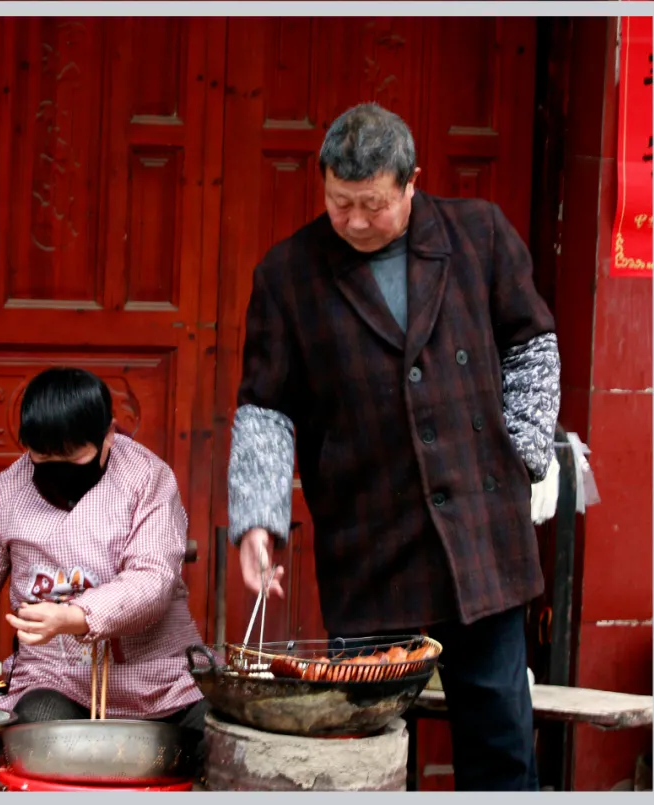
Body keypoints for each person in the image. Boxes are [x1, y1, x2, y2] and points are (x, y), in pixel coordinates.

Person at [228, 102, 559, 791]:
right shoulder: (289, 274)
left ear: (411, 184)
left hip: (481, 538)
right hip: (370, 544)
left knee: (499, 732)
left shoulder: (478, 236)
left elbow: (532, 344)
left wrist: (520, 452)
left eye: (371, 204)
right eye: (338, 201)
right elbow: (264, 408)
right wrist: (256, 521)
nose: (352, 219)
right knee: (365, 749)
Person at [0, 367, 208, 741]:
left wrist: (76, 616)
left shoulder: (147, 477)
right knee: (37, 737)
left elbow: (153, 579)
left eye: (73, 456)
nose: (56, 469)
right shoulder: (8, 490)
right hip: (55, 677)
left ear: (108, 434)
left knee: (223, 740)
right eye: (42, 457)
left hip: (157, 678)